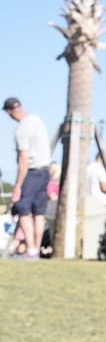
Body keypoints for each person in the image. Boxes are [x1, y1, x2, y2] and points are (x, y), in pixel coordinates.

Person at [3, 97, 50, 259]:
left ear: (9, 112)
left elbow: (23, 157)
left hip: (30, 172)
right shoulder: (37, 120)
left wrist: (17, 185)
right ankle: (35, 249)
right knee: (39, 212)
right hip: (45, 172)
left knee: (23, 209)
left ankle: (31, 250)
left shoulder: (21, 129)